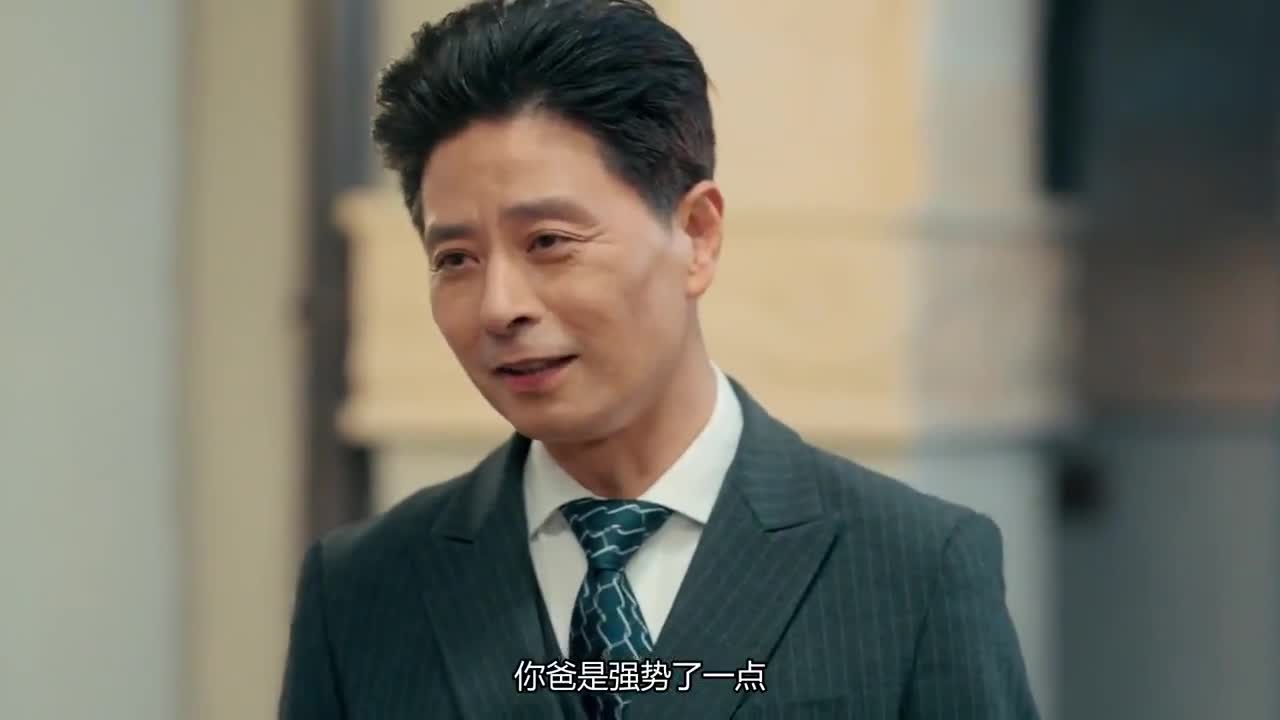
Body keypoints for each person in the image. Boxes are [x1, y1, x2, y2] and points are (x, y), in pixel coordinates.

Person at [279, 1, 1040, 718]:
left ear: (697, 235)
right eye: (455, 259)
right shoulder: (361, 590)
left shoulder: (914, 567)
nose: (498, 307)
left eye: (548, 242)